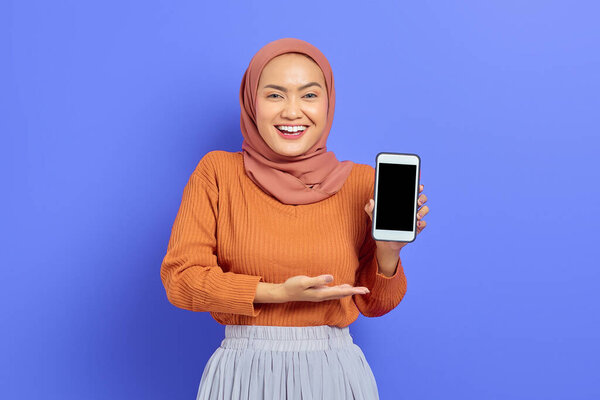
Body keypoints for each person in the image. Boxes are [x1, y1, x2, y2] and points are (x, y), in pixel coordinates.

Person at [160, 37, 429, 400]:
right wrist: (276, 293)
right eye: (274, 95)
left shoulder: (364, 183)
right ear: (251, 103)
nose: (292, 111)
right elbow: (181, 280)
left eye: (309, 95)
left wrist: (389, 251)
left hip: (334, 373)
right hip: (243, 373)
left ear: (328, 102)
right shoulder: (217, 173)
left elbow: (375, 304)